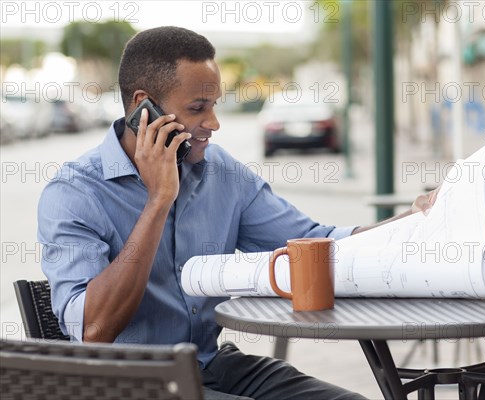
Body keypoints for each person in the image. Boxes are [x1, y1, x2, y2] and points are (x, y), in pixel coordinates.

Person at [38, 26, 437, 399]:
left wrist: (412, 219)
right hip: (130, 384)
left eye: (214, 106)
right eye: (197, 108)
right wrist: (159, 200)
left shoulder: (221, 173)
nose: (212, 123)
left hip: (211, 365)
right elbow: (95, 329)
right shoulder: (75, 193)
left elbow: (316, 241)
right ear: (145, 109)